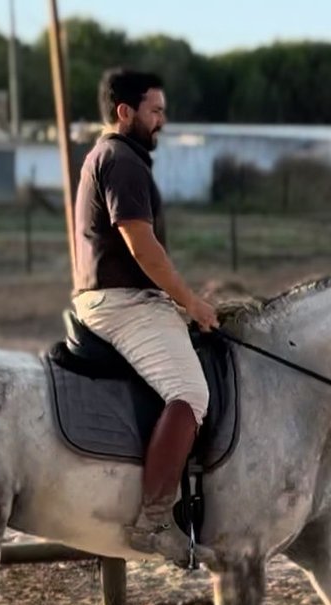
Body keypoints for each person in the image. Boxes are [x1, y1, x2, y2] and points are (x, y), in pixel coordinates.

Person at [71, 68, 220, 563]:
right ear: (125, 112)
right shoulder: (121, 160)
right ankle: (153, 521)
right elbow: (142, 246)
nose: (162, 121)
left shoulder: (108, 156)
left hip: (121, 298)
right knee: (191, 393)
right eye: (155, 111)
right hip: (124, 304)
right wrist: (189, 302)